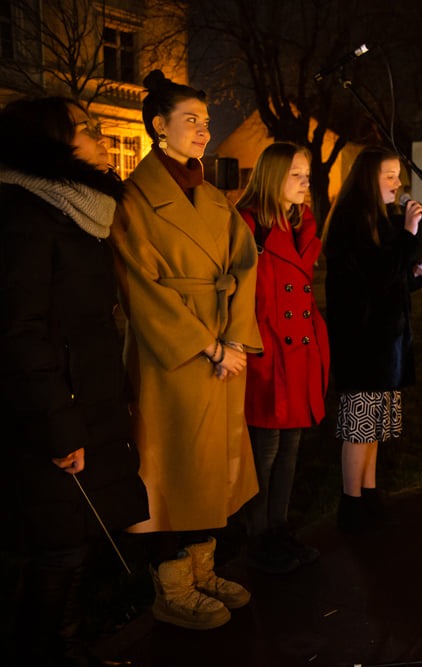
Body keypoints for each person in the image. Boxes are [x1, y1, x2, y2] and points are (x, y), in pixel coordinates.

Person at [110, 70, 262, 630]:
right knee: (171, 467)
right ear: (159, 126)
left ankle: (203, 567)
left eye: (206, 121)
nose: (204, 131)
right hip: (173, 356)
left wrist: (236, 340)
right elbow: (140, 288)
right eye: (191, 120)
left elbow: (246, 265)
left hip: (224, 349)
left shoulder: (214, 195)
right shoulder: (135, 198)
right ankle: (170, 584)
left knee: (210, 469)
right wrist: (209, 346)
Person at [0, 97, 149, 665]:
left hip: (85, 401)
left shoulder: (74, 213)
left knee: (73, 542)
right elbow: (20, 331)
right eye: (86, 129)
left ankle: (68, 646)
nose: (102, 136)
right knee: (56, 546)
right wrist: (59, 424)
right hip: (53, 414)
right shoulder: (26, 218)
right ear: (48, 145)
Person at [325, 147, 422, 533]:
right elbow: (374, 276)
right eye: (389, 176)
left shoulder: (383, 221)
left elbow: (394, 279)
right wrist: (408, 235)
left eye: (398, 176)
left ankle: (369, 493)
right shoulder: (350, 222)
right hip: (362, 342)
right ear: (367, 179)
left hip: (386, 343)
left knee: (376, 426)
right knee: (360, 427)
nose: (398, 184)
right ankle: (350, 503)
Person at [235, 143, 329, 573]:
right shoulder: (248, 224)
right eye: (296, 174)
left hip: (299, 351)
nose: (305, 182)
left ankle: (279, 527)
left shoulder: (301, 224)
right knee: (265, 448)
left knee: (291, 446)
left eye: (307, 174)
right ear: (273, 175)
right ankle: (258, 538)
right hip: (267, 351)